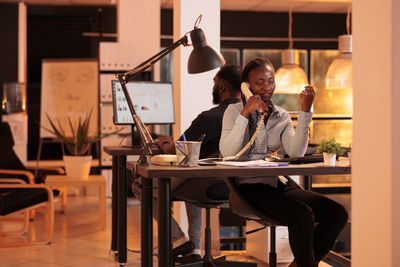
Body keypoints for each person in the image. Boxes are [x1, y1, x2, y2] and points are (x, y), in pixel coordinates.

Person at [219, 57, 348, 267]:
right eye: (259, 82)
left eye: (270, 81)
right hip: (248, 189)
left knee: (337, 213)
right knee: (302, 215)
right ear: (246, 86)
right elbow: (227, 152)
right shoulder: (233, 112)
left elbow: (295, 151)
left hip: (277, 185)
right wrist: (246, 112)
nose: (266, 87)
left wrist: (305, 112)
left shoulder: (281, 115)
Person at [151, 64, 242, 264]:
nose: (213, 87)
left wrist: (166, 144)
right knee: (192, 175)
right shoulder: (252, 117)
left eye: (215, 82)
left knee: (143, 187)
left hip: (207, 185)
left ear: (223, 86)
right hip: (237, 186)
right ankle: (195, 251)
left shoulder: (209, 118)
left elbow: (179, 150)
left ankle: (179, 241)